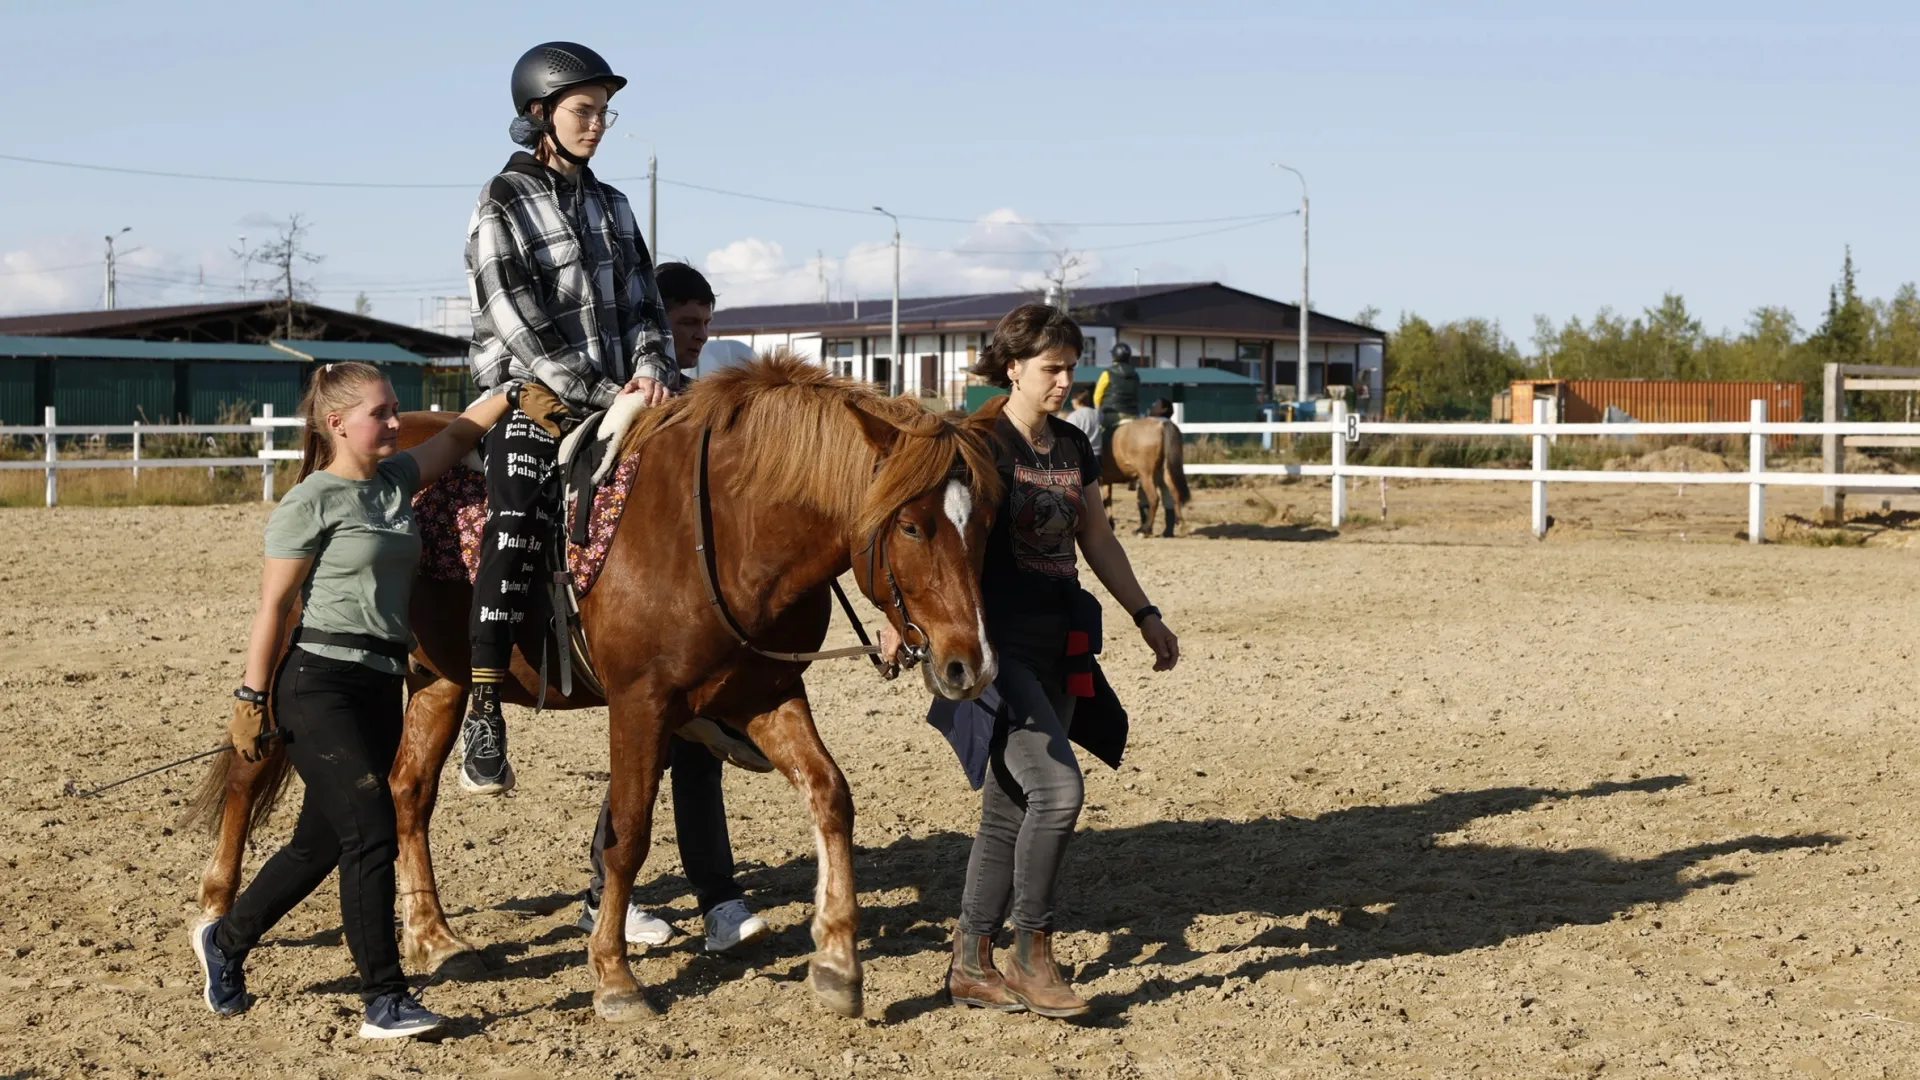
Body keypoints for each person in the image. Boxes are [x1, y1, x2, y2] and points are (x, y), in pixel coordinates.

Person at [193, 362, 511, 1038]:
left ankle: (223, 943)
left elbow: (454, 438)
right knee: (370, 826)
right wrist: (252, 698)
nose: (395, 422)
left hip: (377, 682)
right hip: (318, 682)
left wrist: (511, 393)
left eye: (396, 409)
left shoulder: (395, 482)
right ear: (337, 423)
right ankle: (385, 999)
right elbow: (274, 606)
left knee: (318, 845)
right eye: (381, 412)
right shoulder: (310, 501)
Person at [945, 305, 1180, 1017]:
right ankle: (1032, 953)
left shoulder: (1075, 446)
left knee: (1010, 808)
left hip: (1063, 641)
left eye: (1070, 367)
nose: (1064, 380)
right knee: (1058, 791)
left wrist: (1146, 613)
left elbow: (1097, 537)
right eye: (1051, 368)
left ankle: (968, 962)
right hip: (998, 646)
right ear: (1011, 367)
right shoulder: (975, 444)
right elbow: (936, 543)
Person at [461, 41, 676, 795]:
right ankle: (485, 702)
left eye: (604, 111)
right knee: (516, 514)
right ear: (540, 114)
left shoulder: (614, 204)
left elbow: (649, 306)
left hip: (629, 396)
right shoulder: (503, 199)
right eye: (585, 111)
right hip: (530, 396)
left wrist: (651, 372)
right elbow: (514, 320)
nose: (599, 124)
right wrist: (598, 392)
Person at [574, 263, 771, 954]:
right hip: (640, 610)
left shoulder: (702, 396)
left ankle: (718, 898)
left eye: (706, 323)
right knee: (647, 748)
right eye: (687, 323)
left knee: (697, 760)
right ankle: (604, 895)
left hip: (702, 615)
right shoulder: (631, 405)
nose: (698, 336)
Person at [1092, 341, 1141, 424]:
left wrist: (1098, 412)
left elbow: (1097, 396)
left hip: (1112, 415)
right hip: (1134, 414)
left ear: (1114, 356)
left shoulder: (1107, 373)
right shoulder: (1135, 374)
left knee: (1100, 433)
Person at [1064, 387, 1102, 461]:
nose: (1071, 401)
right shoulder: (1097, 413)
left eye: (1073, 399)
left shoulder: (1074, 416)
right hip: (1097, 456)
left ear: (1077, 400)